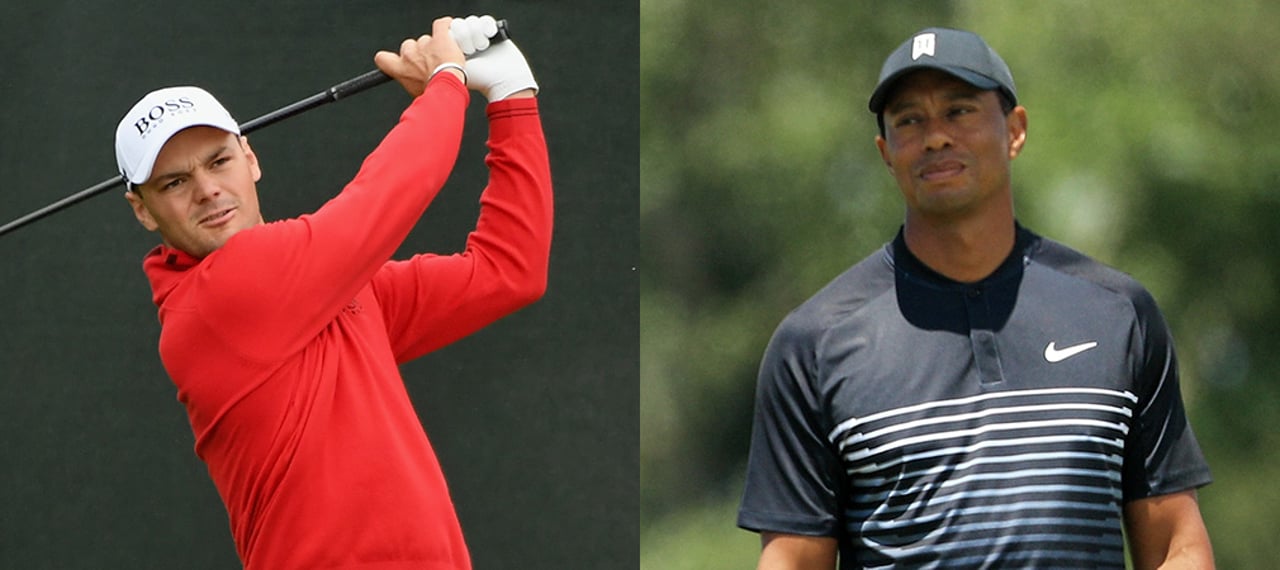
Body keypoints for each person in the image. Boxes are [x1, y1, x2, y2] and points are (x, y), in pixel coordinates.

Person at [737, 27, 1213, 569]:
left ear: (1015, 130)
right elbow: (793, 561)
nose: (935, 137)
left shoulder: (1118, 313)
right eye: (909, 120)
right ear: (885, 152)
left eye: (959, 111)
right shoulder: (814, 344)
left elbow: (1178, 543)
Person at [114, 15, 551, 569]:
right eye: (174, 183)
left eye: (219, 161)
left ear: (250, 158)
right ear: (142, 210)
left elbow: (508, 271)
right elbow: (380, 201)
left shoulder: (329, 287)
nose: (207, 191)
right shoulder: (215, 299)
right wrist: (445, 85)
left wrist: (512, 99)